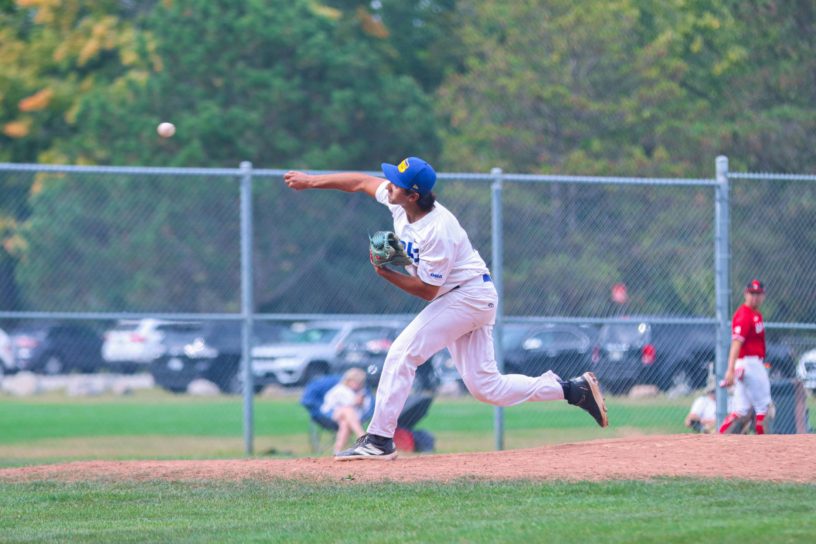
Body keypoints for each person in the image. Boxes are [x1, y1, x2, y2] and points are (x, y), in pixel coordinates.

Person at [284, 156, 608, 461]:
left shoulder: (438, 230)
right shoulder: (401, 203)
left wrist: (387, 272)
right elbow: (360, 182)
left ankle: (379, 439)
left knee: (402, 353)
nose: (388, 184)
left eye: (396, 183)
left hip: (467, 297)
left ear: (413, 195)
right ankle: (573, 389)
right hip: (465, 295)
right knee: (486, 387)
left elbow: (427, 290)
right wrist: (311, 181)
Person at [719, 279, 771, 434]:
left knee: (741, 411)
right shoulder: (744, 315)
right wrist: (730, 370)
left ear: (763, 296)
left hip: (748, 364)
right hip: (749, 364)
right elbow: (736, 343)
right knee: (764, 408)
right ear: (745, 294)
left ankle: (720, 439)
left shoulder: (755, 314)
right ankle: (765, 449)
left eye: (758, 294)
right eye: (752, 293)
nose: (755, 297)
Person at [320, 368, 370, 454]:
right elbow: (328, 406)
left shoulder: (362, 392)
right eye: (355, 382)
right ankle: (362, 436)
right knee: (347, 410)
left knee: (344, 423)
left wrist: (361, 403)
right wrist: (353, 403)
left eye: (359, 383)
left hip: (354, 418)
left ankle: (337, 450)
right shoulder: (339, 390)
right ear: (348, 380)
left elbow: (366, 409)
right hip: (334, 414)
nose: (357, 385)